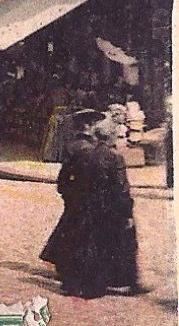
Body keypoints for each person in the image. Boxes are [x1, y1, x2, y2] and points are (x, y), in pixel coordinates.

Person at [43, 114, 141, 298]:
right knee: (109, 244)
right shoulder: (115, 158)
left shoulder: (85, 154)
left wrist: (71, 197)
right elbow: (122, 189)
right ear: (112, 137)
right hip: (108, 209)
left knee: (84, 242)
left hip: (86, 206)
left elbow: (68, 180)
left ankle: (74, 282)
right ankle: (113, 282)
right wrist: (127, 212)